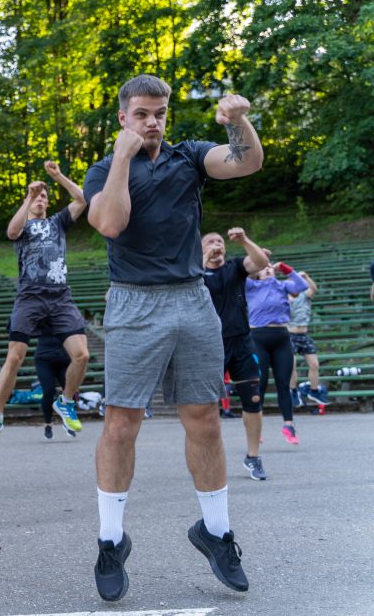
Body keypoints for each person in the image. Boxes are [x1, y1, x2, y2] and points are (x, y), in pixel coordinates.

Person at [84, 75, 263, 600]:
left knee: (205, 417)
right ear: (123, 117)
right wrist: (122, 157)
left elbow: (245, 162)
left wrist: (238, 121)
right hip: (135, 301)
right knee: (121, 423)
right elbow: (111, 224)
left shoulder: (190, 156)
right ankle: (111, 541)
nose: (152, 122)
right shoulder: (103, 170)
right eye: (141, 113)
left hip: (191, 297)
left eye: (159, 112)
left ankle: (216, 530)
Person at [0, 161, 90, 446]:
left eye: (44, 197)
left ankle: (65, 402)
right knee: (14, 357)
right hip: (30, 295)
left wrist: (57, 175)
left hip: (60, 295)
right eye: (37, 197)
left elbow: (82, 199)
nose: (40, 200)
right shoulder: (25, 226)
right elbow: (11, 232)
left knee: (82, 355)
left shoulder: (58, 222)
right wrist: (28, 197)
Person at [201, 228, 271, 480]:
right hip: (210, 345)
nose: (216, 244)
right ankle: (207, 458)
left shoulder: (234, 266)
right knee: (205, 407)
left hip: (241, 342)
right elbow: (188, 283)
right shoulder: (195, 271)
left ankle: (253, 457)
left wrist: (243, 241)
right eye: (210, 241)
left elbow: (261, 261)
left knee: (252, 400)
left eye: (219, 241)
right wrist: (205, 255)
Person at [246, 262, 308, 443]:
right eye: (263, 267)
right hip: (258, 337)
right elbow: (240, 277)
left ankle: (289, 426)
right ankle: (256, 428)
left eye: (270, 267)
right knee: (260, 383)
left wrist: (288, 270)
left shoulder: (283, 286)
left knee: (284, 384)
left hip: (281, 336)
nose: (267, 268)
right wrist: (253, 263)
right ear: (257, 273)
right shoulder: (251, 286)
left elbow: (302, 286)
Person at [288, 271, 326, 412]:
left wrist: (307, 277)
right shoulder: (285, 296)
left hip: (304, 334)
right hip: (289, 334)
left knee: (314, 364)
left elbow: (314, 289)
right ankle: (292, 391)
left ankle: (314, 390)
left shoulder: (305, 295)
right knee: (292, 365)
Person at [33, 334, 74, 439]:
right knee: (48, 392)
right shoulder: (40, 318)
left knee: (69, 391)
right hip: (44, 359)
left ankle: (68, 421)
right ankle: (48, 424)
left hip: (64, 358)